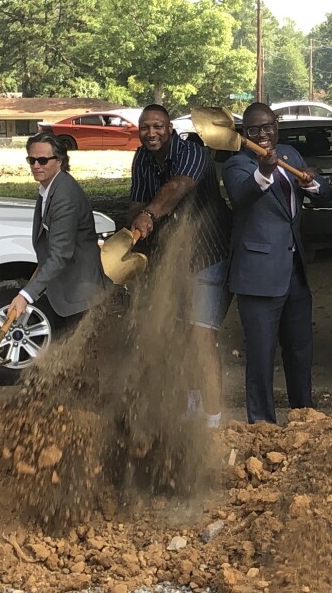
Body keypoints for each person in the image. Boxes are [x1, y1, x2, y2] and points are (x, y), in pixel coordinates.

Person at [221, 102, 332, 424]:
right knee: (261, 357)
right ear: (245, 134)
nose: (262, 135)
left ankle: (304, 418)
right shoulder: (237, 165)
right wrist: (265, 172)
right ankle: (262, 425)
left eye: (268, 127)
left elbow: (324, 191)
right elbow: (242, 196)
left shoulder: (290, 155)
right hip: (258, 277)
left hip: (294, 273)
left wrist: (311, 183)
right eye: (254, 130)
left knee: (300, 353)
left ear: (277, 126)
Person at [128, 104, 233, 429]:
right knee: (179, 337)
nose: (151, 133)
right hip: (171, 262)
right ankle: (190, 409)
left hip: (207, 257)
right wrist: (130, 236)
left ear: (170, 128)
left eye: (158, 126)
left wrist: (149, 216)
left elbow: (176, 188)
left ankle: (213, 421)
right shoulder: (142, 159)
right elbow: (135, 202)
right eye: (145, 127)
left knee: (201, 339)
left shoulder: (192, 154)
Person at [8, 132, 106, 335]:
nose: (36, 165)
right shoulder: (49, 188)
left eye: (43, 160)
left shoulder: (64, 196)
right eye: (32, 160)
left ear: (59, 161)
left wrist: (26, 296)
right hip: (67, 289)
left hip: (79, 293)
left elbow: (60, 254)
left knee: (79, 355)